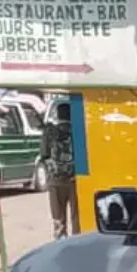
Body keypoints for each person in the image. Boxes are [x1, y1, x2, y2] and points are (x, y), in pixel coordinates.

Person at [39, 99, 79, 239]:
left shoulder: (50, 131)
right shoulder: (77, 131)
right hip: (75, 180)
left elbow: (43, 154)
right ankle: (77, 242)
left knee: (58, 218)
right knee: (76, 217)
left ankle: (61, 242)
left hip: (55, 181)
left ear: (58, 115)